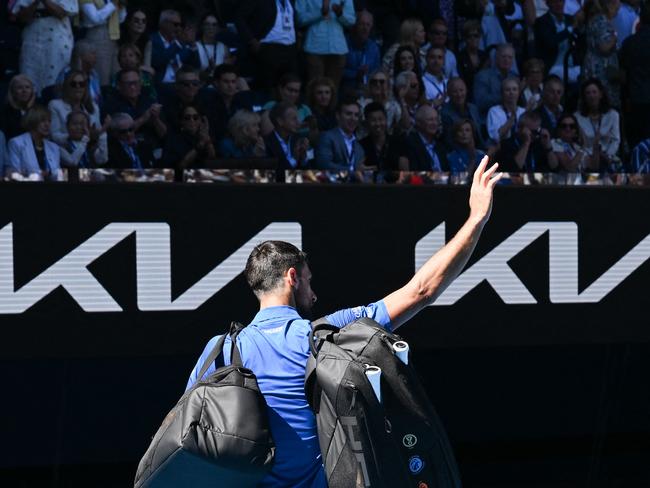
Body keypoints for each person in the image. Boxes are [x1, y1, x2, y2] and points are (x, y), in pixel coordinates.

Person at [186, 153, 502, 488]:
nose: (314, 293)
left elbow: (191, 434)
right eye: (309, 281)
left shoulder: (220, 350)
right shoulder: (325, 335)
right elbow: (421, 291)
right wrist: (476, 218)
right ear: (292, 277)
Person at [11, 0, 78, 94]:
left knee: (56, 79)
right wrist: (35, 3)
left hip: (57, 37)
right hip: (33, 36)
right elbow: (22, 18)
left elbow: (61, 13)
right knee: (30, 78)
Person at [234, 0, 299, 91]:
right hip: (269, 47)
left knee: (289, 86)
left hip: (290, 49)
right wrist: (251, 40)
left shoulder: (291, 1)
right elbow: (239, 18)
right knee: (268, 87)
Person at [103, 68, 167, 146]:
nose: (133, 87)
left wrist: (156, 119)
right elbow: (117, 135)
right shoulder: (111, 104)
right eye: (128, 84)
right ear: (119, 85)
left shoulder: (149, 101)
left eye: (136, 83)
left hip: (152, 147)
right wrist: (143, 118)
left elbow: (164, 135)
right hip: (126, 149)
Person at [619, 2, 650, 147]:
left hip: (636, 101)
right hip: (637, 99)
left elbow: (622, 72)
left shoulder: (630, 43)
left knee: (637, 145)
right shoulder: (630, 43)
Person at [573, 78, 621, 170]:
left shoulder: (613, 115)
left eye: (594, 92)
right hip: (587, 158)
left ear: (600, 94)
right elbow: (576, 143)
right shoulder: (576, 117)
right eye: (588, 93)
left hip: (608, 158)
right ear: (584, 97)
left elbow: (616, 140)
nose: (592, 96)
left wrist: (608, 156)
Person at [48, 70, 106, 146]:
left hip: (90, 151)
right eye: (73, 84)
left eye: (82, 84)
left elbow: (98, 133)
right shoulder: (55, 105)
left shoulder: (94, 108)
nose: (78, 87)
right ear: (67, 87)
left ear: (86, 88)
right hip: (65, 151)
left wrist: (98, 133)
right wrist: (74, 137)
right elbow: (54, 135)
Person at [6, 105, 63, 180]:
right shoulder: (16, 143)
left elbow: (60, 176)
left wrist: (49, 173)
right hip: (26, 189)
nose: (47, 125)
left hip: (51, 190)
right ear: (33, 121)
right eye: (43, 121)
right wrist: (40, 173)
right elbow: (14, 174)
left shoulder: (54, 147)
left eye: (49, 121)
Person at [78, 0, 127, 86]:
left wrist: (121, 7)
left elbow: (120, 19)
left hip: (113, 38)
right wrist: (112, 4)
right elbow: (95, 18)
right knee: (102, 78)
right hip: (97, 37)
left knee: (117, 76)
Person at [582, 0, 621, 107]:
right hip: (600, 69)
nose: (617, 12)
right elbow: (604, 47)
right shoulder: (601, 21)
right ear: (610, 4)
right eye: (617, 8)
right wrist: (614, 38)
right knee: (601, 102)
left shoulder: (600, 20)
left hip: (601, 66)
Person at [144, 10, 199, 84]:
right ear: (163, 24)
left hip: (182, 85)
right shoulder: (152, 40)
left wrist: (192, 44)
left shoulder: (179, 42)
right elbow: (157, 62)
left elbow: (195, 65)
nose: (179, 28)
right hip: (161, 85)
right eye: (176, 25)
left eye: (180, 25)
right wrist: (178, 43)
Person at [534, 0, 581, 83]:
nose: (558, 4)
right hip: (554, 66)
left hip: (572, 65)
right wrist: (569, 30)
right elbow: (550, 42)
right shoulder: (542, 22)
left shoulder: (570, 19)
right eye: (554, 1)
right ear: (547, 4)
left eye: (561, 1)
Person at [315, 97, 365, 170]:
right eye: (348, 114)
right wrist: (352, 170)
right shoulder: (327, 137)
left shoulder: (359, 148)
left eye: (356, 115)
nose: (353, 118)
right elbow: (324, 165)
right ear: (338, 116)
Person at [162, 104, 215, 171]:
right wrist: (200, 144)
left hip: (202, 175)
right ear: (181, 121)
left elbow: (212, 157)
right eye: (187, 118)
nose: (192, 120)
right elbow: (181, 166)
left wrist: (207, 139)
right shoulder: (173, 140)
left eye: (195, 117)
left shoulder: (202, 136)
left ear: (200, 120)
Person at [473, 44, 518, 119]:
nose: (506, 60)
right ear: (496, 58)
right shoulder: (483, 76)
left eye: (510, 57)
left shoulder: (514, 78)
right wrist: (507, 96)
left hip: (511, 120)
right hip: (488, 120)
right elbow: (481, 102)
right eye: (503, 56)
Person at [357, 69, 407, 136]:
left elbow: (406, 125)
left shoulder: (393, 105)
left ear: (387, 85)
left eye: (382, 82)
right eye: (374, 82)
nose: (378, 84)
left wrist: (401, 100)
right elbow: (370, 126)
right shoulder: (362, 104)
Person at [440, 77, 485, 150]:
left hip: (479, 149)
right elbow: (449, 141)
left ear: (466, 90)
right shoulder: (445, 113)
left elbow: (479, 134)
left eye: (461, 90)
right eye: (455, 91)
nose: (459, 94)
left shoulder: (473, 108)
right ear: (448, 93)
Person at [359, 101, 407, 170]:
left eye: (381, 119)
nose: (378, 124)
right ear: (366, 123)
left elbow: (405, 170)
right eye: (373, 120)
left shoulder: (398, 143)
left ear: (386, 120)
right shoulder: (361, 146)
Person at [342, 9, 381, 93]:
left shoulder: (374, 48)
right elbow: (338, 70)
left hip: (368, 91)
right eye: (362, 24)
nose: (365, 28)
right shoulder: (343, 43)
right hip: (346, 90)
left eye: (368, 25)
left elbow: (377, 71)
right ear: (355, 24)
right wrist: (356, 74)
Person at [265, 101, 310, 170]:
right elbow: (277, 173)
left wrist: (303, 157)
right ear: (280, 121)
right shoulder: (267, 144)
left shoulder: (297, 138)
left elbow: (304, 169)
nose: (298, 122)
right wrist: (294, 159)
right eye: (294, 119)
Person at [403, 104, 449, 171]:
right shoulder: (410, 143)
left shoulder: (440, 145)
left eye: (436, 119)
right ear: (418, 122)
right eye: (430, 120)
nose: (434, 123)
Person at [486, 77, 526, 144]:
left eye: (514, 89)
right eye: (507, 90)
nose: (511, 92)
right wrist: (512, 117)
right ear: (502, 93)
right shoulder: (494, 111)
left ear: (519, 92)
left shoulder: (523, 111)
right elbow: (496, 137)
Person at [0, 74, 37, 140]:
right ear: (13, 92)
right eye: (20, 88)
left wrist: (29, 109)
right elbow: (15, 133)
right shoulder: (5, 111)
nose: (24, 91)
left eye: (27, 87)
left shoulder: (39, 107)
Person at [195, 12, 230, 81]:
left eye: (214, 25)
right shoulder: (195, 46)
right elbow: (194, 76)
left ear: (218, 28)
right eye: (207, 24)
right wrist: (209, 69)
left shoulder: (224, 47)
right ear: (202, 26)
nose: (211, 28)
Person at [456, 20, 488, 95]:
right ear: (464, 38)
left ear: (480, 37)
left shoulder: (485, 56)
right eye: (469, 36)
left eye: (476, 36)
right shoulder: (459, 57)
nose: (473, 39)